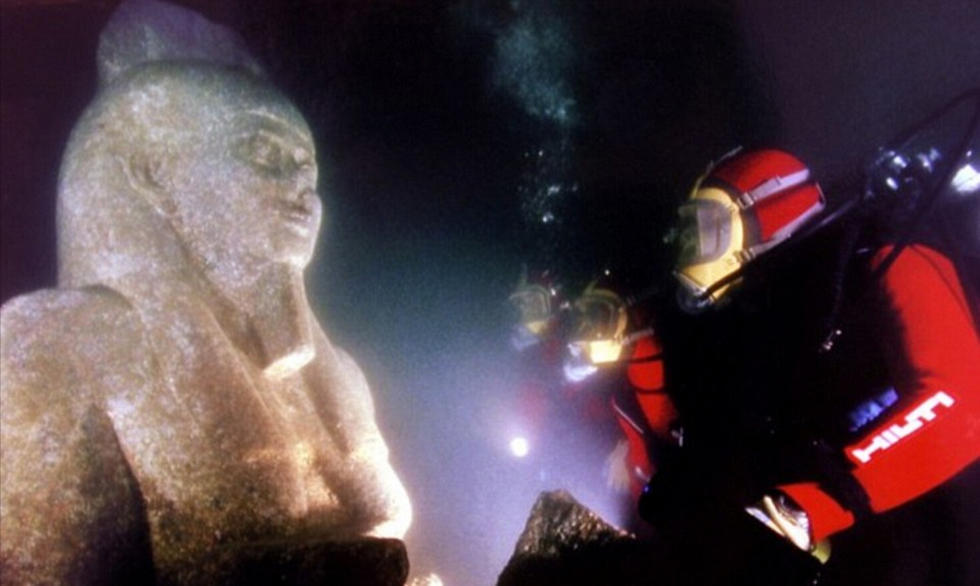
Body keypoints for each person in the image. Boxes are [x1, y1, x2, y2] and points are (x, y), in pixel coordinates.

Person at [0, 4, 411, 582]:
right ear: (152, 172)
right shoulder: (57, 345)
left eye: (307, 169)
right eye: (266, 155)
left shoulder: (341, 375)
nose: (302, 190)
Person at [638, 147, 980, 585]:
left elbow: (960, 401)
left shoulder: (886, 257)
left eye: (706, 229)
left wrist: (808, 508)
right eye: (688, 232)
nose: (689, 250)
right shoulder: (769, 310)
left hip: (951, 512)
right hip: (881, 522)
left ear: (765, 218)